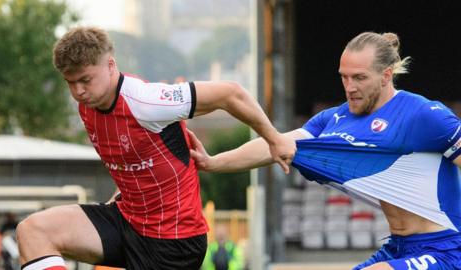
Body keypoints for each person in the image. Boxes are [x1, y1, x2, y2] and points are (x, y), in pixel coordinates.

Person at [14, 26, 295, 270]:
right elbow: (134, 160)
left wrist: (274, 139)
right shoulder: (88, 106)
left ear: (111, 66)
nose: (78, 91)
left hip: (174, 243)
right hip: (129, 222)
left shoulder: (146, 101)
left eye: (85, 80)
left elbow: (231, 93)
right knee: (33, 231)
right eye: (70, 83)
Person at [189, 32, 461, 269]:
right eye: (344, 77)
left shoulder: (424, 115)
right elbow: (276, 144)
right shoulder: (334, 119)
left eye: (359, 78)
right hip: (399, 247)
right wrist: (213, 162)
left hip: (445, 249)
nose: (350, 87)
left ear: (386, 76)